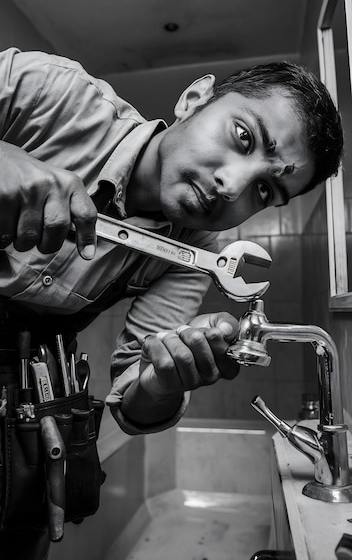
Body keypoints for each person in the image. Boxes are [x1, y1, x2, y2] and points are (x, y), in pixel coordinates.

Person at [0, 47, 343, 558]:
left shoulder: (195, 253)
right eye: (243, 137)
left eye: (266, 191)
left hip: (25, 419)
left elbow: (132, 398)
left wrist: (163, 378)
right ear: (194, 99)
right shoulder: (49, 91)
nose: (233, 185)